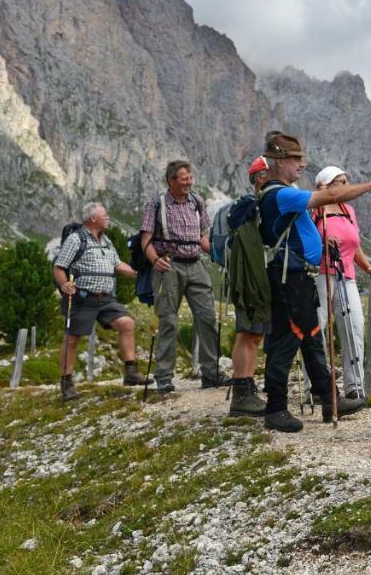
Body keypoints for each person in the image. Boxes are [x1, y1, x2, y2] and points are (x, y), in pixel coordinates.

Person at [258, 132, 371, 432]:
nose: (301, 164)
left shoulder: (279, 191)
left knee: (311, 335)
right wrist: (370, 185)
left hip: (296, 275)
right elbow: (329, 196)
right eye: (294, 159)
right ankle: (275, 408)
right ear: (277, 161)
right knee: (288, 338)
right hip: (289, 277)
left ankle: (329, 399)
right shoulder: (280, 193)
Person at [139, 160, 225, 394]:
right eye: (184, 178)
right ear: (171, 181)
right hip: (169, 266)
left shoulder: (196, 202)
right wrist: (156, 260)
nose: (189, 182)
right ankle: (164, 377)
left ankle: (211, 372)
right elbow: (145, 240)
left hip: (196, 264)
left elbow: (202, 237)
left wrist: (220, 256)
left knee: (207, 316)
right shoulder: (155, 205)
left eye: (190, 177)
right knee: (168, 320)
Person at [53, 202, 152, 401]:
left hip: (105, 298)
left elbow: (117, 264)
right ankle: (66, 381)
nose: (108, 219)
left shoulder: (106, 241)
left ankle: (131, 373)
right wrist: (64, 284)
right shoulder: (76, 239)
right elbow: (59, 266)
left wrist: (141, 274)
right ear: (92, 219)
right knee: (72, 338)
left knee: (127, 324)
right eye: (104, 216)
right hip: (82, 297)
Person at [312, 166, 371, 404]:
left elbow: (356, 246)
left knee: (354, 326)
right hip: (320, 275)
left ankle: (354, 386)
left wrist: (368, 269)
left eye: (347, 181)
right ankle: (320, 386)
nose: (346, 185)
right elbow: (307, 240)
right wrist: (323, 242)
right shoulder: (314, 209)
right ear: (326, 186)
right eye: (341, 182)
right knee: (319, 328)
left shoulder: (348, 210)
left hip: (346, 274)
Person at [227, 155, 272, 418]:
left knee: (255, 334)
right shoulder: (250, 205)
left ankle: (246, 388)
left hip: (254, 276)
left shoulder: (254, 205)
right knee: (249, 332)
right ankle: (241, 394)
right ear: (259, 179)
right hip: (250, 278)